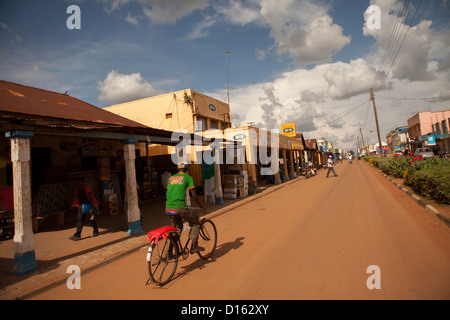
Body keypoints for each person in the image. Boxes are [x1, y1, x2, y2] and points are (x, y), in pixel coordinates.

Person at [165, 163, 206, 254]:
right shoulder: (188, 178)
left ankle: (171, 251)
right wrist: (201, 207)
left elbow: (169, 191)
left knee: (177, 227)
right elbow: (194, 195)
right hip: (180, 207)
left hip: (168, 207)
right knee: (195, 223)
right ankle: (194, 246)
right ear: (187, 170)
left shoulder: (171, 178)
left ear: (177, 170)